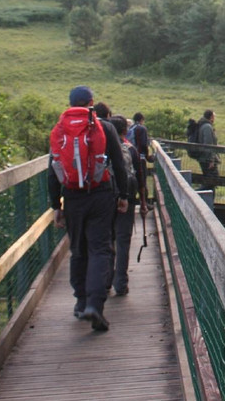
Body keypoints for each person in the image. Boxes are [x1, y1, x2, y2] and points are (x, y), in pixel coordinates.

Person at [48, 85, 130, 333]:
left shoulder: (60, 130)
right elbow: (118, 163)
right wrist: (124, 195)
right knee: (100, 249)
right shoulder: (104, 127)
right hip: (101, 195)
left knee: (78, 248)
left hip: (72, 197)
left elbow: (52, 170)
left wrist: (55, 206)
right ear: (91, 102)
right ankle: (95, 305)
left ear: (70, 103)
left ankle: (80, 301)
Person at [109, 115, 143, 296]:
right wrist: (143, 203)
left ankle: (105, 282)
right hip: (127, 199)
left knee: (107, 240)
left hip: (105, 199)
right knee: (123, 241)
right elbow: (141, 179)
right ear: (125, 131)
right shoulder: (131, 150)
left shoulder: (103, 149)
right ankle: (120, 284)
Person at [130, 112, 154, 204]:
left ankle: (132, 201)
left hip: (131, 157)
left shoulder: (131, 128)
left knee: (134, 178)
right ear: (141, 120)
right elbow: (144, 144)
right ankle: (145, 202)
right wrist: (147, 156)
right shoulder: (142, 129)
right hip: (140, 158)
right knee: (142, 180)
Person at [191, 109, 220, 185]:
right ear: (211, 117)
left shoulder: (202, 125)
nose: (214, 118)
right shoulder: (207, 127)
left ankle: (204, 194)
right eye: (214, 116)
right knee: (211, 182)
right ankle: (196, 194)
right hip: (207, 160)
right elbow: (208, 144)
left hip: (204, 158)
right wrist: (211, 160)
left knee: (210, 181)